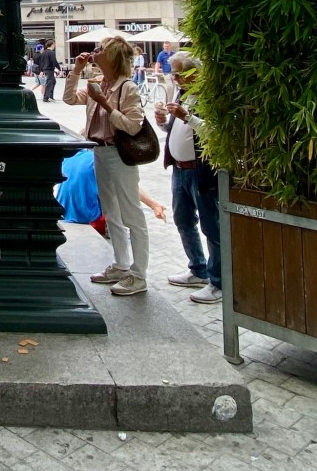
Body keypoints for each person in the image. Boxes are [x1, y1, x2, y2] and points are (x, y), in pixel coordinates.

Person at [63, 36, 149, 296]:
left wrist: (104, 103)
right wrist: (76, 71)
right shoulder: (99, 83)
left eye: (100, 49)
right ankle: (121, 265)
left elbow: (133, 126)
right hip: (98, 152)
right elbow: (69, 98)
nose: (95, 51)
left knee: (132, 213)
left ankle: (139, 274)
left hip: (119, 154)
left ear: (112, 57)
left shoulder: (127, 88)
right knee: (111, 211)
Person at [154, 51, 222, 305]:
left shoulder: (209, 97)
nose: (176, 78)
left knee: (211, 226)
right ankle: (198, 269)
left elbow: (215, 131)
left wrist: (188, 117)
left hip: (200, 170)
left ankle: (219, 282)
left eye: (180, 73)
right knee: (183, 220)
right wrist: (163, 123)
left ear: (196, 73)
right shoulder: (182, 94)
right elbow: (180, 129)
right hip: (179, 169)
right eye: (174, 73)